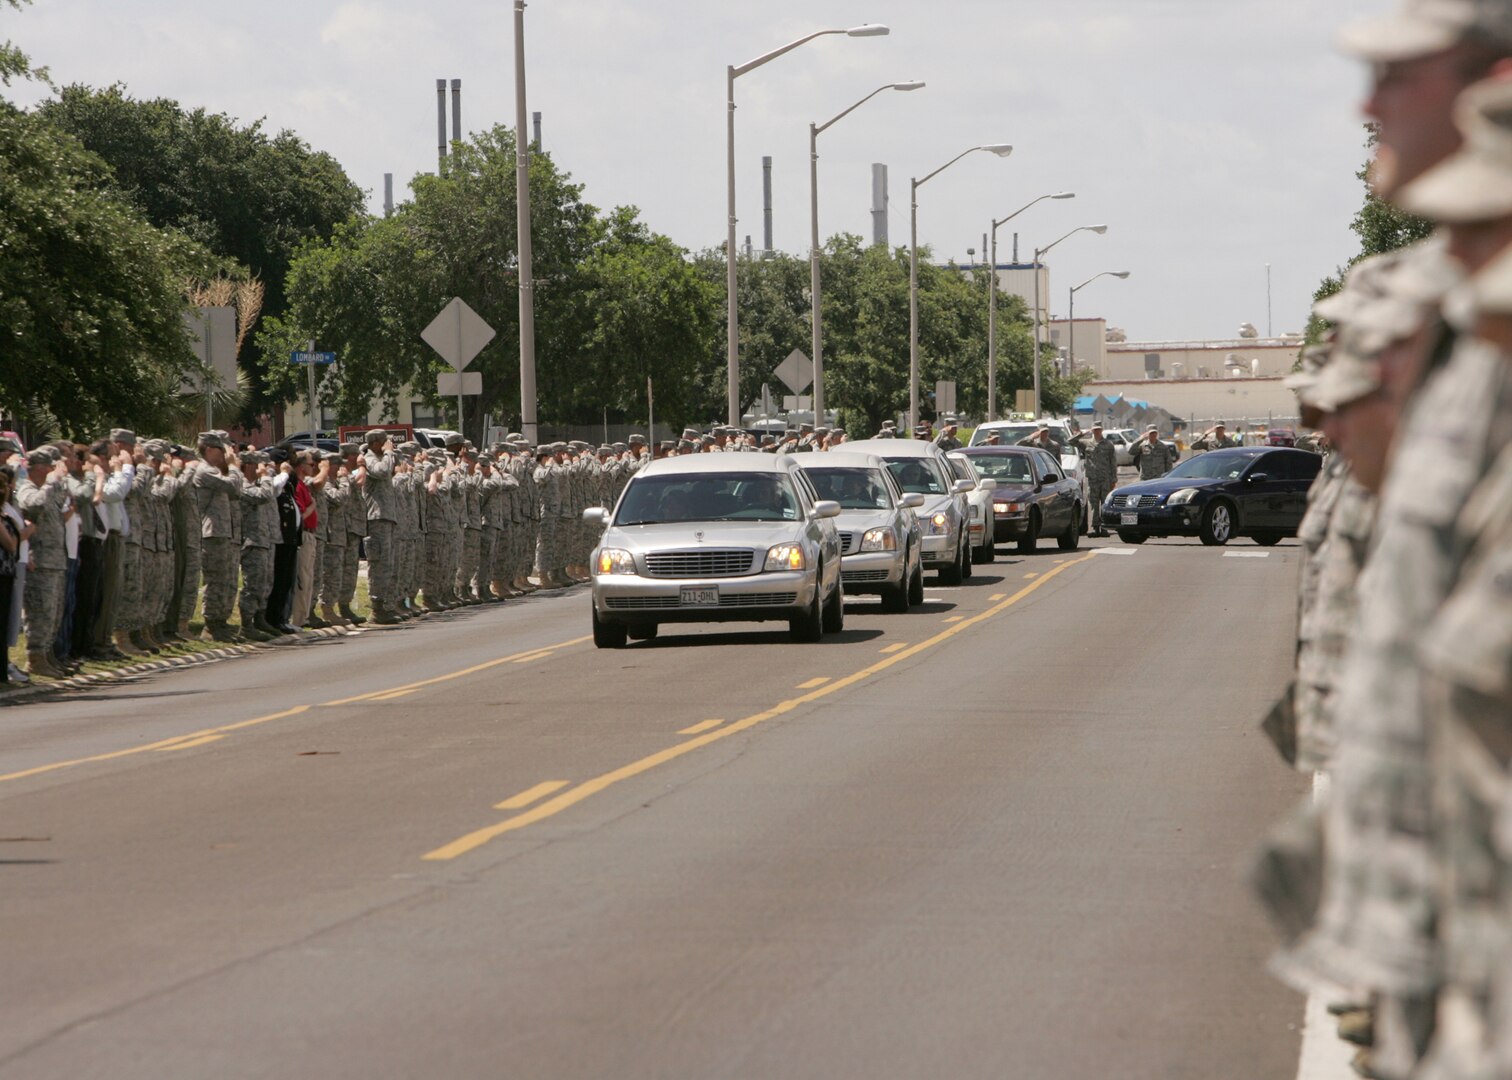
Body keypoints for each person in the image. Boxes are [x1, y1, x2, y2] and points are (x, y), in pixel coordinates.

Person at [361, 429, 401, 624]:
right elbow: (381, 471)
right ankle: (377, 607)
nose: (388, 445)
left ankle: (387, 605)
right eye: (384, 442)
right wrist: (388, 453)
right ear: (376, 443)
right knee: (379, 564)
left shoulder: (384, 458)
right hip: (376, 518)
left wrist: (389, 455)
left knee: (388, 564)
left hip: (386, 517)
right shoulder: (369, 459)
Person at [1072, 424, 1119, 537]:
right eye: (1095, 430)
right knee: (1093, 504)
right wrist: (1081, 434)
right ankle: (1095, 527)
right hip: (1093, 479)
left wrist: (1114, 479)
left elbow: (1113, 462)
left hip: (1105, 479)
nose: (1097, 432)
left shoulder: (1108, 444)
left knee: (1104, 503)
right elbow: (1071, 441)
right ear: (1092, 430)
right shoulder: (1087, 443)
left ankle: (1104, 528)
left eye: (1098, 430)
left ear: (1101, 430)